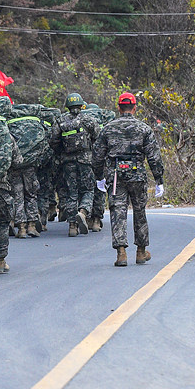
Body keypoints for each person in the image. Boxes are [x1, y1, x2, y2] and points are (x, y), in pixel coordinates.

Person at [92, 92, 164, 266]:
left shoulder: (108, 128)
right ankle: (140, 252)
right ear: (134, 108)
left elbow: (97, 156)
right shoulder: (143, 128)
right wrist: (159, 179)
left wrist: (99, 176)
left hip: (115, 175)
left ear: (118, 107)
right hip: (137, 174)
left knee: (118, 211)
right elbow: (154, 156)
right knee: (140, 211)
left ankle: (121, 253)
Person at [50, 93, 99, 237]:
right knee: (88, 190)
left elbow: (53, 141)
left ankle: (72, 226)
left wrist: (62, 153)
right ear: (81, 104)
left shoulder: (60, 120)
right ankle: (83, 211)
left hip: (67, 162)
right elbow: (98, 136)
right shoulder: (88, 119)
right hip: (85, 160)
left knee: (72, 192)